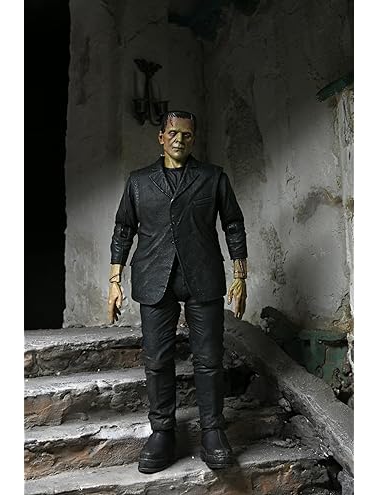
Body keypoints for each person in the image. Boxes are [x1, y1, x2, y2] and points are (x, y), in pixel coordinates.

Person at [108, 110, 248, 474]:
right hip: (154, 277)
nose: (179, 139)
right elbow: (123, 229)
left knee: (209, 358)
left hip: (203, 275)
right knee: (157, 360)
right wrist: (114, 281)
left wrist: (240, 275)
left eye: (186, 134)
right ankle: (162, 431)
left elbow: (233, 223)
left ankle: (213, 430)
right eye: (172, 133)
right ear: (161, 137)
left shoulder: (213, 178)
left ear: (193, 139)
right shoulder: (139, 182)